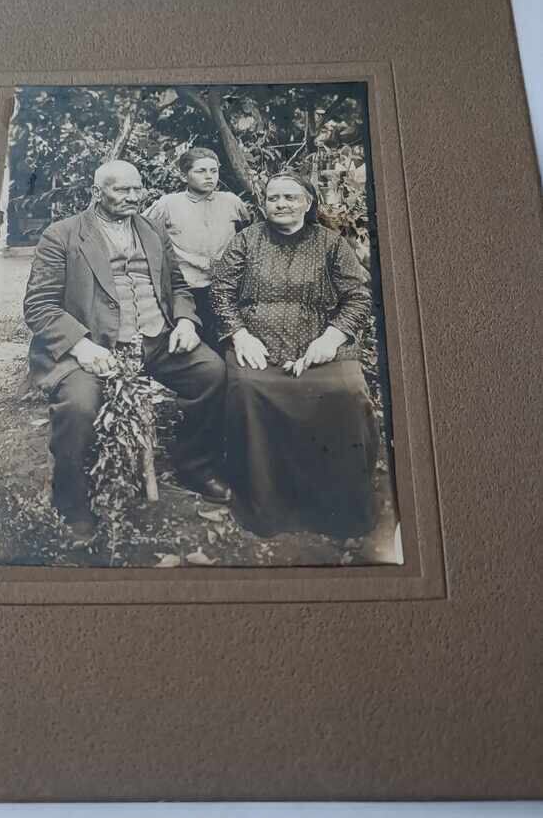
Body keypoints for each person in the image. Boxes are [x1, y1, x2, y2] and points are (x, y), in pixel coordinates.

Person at [23, 159, 230, 539]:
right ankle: (72, 498)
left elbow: (179, 286)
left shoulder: (152, 230)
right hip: (95, 345)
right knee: (78, 406)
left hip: (156, 338)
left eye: (137, 189)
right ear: (97, 192)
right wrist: (81, 346)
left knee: (212, 374)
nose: (133, 197)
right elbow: (39, 305)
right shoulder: (63, 235)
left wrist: (185, 320)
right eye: (122, 190)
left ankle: (194, 465)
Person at [210, 170, 378, 539]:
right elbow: (221, 292)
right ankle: (267, 507)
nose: (281, 204)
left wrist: (330, 339)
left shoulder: (332, 244)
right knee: (248, 389)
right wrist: (240, 335)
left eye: (290, 197)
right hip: (258, 343)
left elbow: (359, 297)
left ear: (307, 202)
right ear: (263, 204)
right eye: (274, 198)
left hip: (321, 343)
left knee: (346, 395)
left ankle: (340, 509)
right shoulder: (245, 242)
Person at [143, 147, 250, 349]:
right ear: (184, 175)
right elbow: (142, 229)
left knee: (228, 342)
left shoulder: (231, 202)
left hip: (227, 287)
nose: (209, 177)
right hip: (187, 288)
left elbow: (247, 233)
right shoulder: (168, 204)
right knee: (192, 342)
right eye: (201, 171)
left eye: (214, 171)